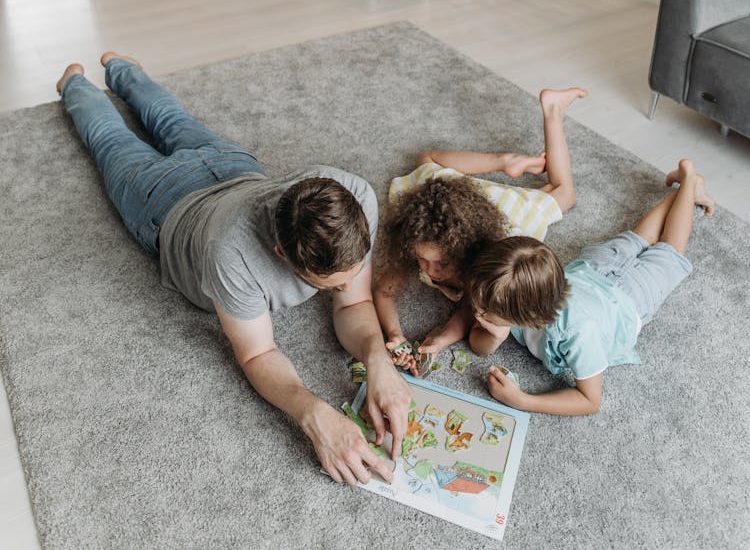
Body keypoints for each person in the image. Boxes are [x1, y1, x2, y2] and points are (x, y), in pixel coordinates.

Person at [56, 53, 410, 486]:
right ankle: (74, 83)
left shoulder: (353, 193)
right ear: (281, 253)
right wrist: (314, 413)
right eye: (330, 284)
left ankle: (123, 70)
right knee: (110, 140)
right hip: (162, 200)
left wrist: (378, 360)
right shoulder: (232, 255)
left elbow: (353, 304)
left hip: (231, 166)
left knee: (169, 116)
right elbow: (257, 353)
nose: (349, 285)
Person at [465, 159, 714, 416]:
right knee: (639, 237)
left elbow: (589, 401)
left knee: (669, 250)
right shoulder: (508, 292)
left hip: (630, 296)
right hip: (594, 268)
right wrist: (495, 335)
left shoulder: (579, 333)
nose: (476, 312)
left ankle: (689, 182)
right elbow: (478, 344)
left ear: (525, 315)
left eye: (483, 312)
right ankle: (682, 190)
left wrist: (523, 401)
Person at [373, 87, 585, 371]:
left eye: (442, 263)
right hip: (445, 201)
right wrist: (395, 335)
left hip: (503, 213)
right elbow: (384, 291)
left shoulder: (491, 269)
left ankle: (553, 111)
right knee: (426, 160)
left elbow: (469, 312)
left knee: (565, 194)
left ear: (466, 252)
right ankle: (504, 162)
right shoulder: (418, 237)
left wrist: (443, 337)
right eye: (420, 258)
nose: (429, 270)